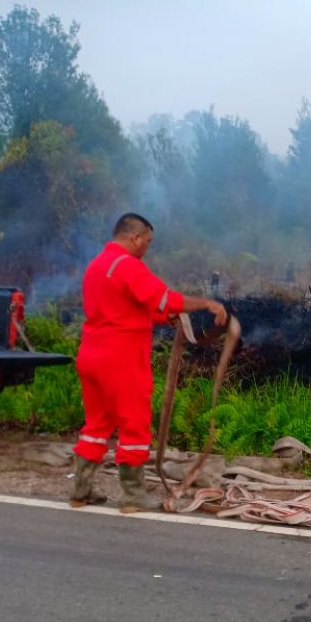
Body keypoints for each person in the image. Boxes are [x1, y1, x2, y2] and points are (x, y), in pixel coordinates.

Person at [69, 213, 227, 512]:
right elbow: (166, 299)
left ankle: (81, 491)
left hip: (91, 355)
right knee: (134, 424)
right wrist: (207, 304)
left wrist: (157, 318)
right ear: (135, 238)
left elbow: (122, 307)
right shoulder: (128, 266)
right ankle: (132, 497)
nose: (148, 248)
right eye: (148, 242)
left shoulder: (97, 265)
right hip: (121, 360)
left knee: (96, 424)